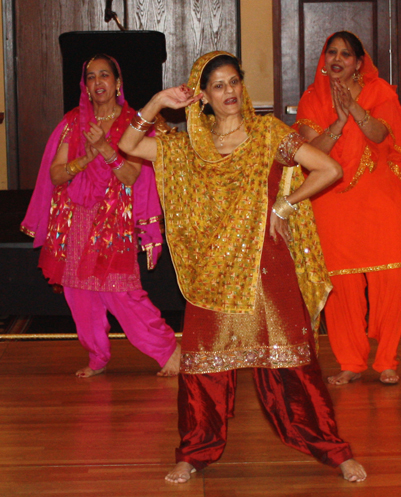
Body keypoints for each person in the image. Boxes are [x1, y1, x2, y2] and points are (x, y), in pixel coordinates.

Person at [119, 51, 367, 483]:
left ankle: (335, 450)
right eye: (218, 85)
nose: (229, 91)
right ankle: (194, 451)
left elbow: (329, 168)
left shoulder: (268, 133)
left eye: (234, 81)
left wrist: (286, 205)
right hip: (213, 275)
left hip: (267, 268)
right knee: (204, 369)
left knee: (294, 367)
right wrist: (159, 101)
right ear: (204, 97)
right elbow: (129, 146)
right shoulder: (189, 146)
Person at [21, 54, 180, 378]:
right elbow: (55, 174)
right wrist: (85, 158)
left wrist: (105, 149)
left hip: (113, 221)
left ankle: (169, 352)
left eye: (104, 75)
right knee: (78, 293)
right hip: (75, 220)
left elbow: (131, 176)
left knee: (122, 292)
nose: (98, 83)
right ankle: (97, 357)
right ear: (85, 85)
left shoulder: (135, 123)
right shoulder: (74, 121)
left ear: (118, 83)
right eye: (91, 77)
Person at [293, 32, 401, 386]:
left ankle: (387, 359)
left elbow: (380, 135)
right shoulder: (312, 98)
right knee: (341, 281)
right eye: (331, 52)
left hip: (379, 195)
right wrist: (339, 122)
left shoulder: (381, 93)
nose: (337, 59)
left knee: (391, 274)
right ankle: (350, 362)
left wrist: (355, 109)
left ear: (359, 62)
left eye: (346, 54)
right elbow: (311, 149)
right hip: (332, 196)